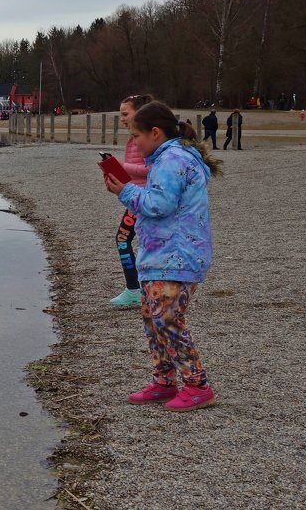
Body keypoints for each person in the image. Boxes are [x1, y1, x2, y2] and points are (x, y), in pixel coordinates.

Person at [103, 101, 222, 412]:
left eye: (136, 136)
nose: (134, 143)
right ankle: (164, 380)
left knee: (167, 319)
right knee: (152, 318)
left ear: (155, 133)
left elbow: (159, 205)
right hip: (161, 254)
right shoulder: (167, 159)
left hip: (177, 256)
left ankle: (197, 386)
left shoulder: (172, 161)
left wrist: (124, 191)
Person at [109, 94, 155, 307]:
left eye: (125, 114)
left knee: (124, 239)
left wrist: (121, 167)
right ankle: (137, 288)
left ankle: (135, 289)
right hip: (134, 196)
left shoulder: (147, 138)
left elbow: (152, 170)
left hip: (143, 198)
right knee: (129, 240)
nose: (122, 119)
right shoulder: (136, 137)